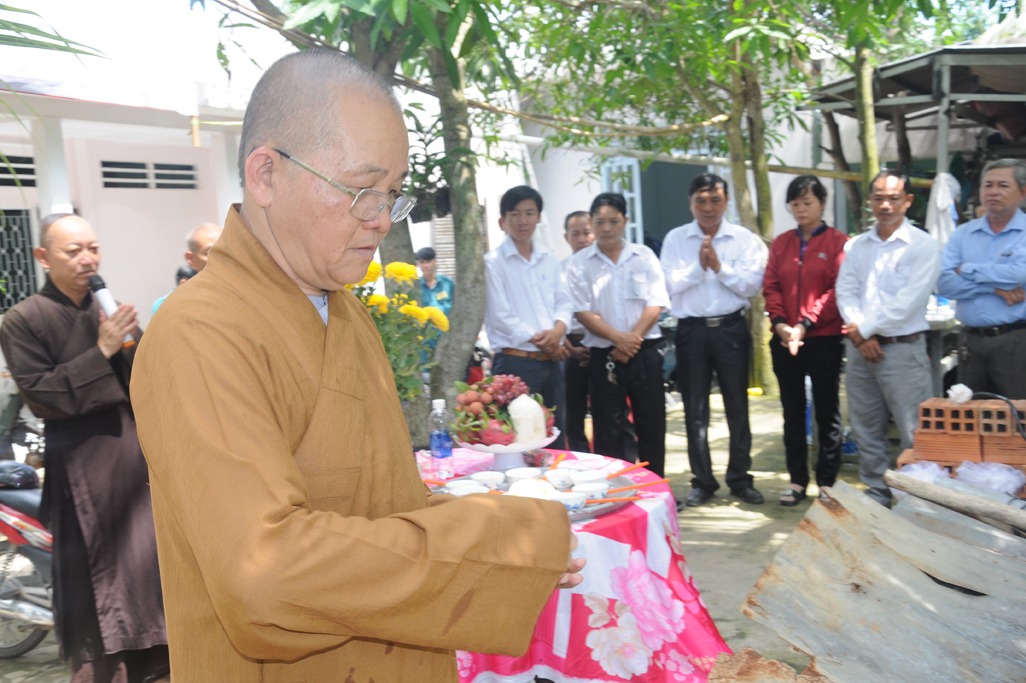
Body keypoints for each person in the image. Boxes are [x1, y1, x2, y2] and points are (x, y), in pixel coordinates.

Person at [130, 50, 582, 682]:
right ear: (266, 174)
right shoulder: (199, 332)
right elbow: (266, 574)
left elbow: (379, 503)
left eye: (393, 194)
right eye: (362, 191)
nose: (381, 218)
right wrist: (494, 539)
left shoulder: (344, 311)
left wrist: (505, 548)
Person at [0, 213, 168, 683]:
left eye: (92, 248)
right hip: (81, 475)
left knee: (152, 581)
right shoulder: (22, 320)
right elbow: (43, 397)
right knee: (99, 591)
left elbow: (147, 383)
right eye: (73, 251)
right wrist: (102, 350)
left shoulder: (106, 308)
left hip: (134, 470)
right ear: (43, 257)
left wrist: (133, 345)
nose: (87, 259)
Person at [660, 173, 768, 507]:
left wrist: (720, 268)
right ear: (690, 203)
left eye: (715, 200)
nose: (708, 208)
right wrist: (698, 268)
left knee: (738, 406)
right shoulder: (676, 239)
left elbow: (752, 286)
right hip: (691, 330)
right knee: (695, 410)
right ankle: (702, 481)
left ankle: (740, 479)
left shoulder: (743, 239)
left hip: (731, 329)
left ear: (726, 202)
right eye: (701, 201)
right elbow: (667, 285)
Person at [836, 170, 942, 507]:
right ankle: (877, 491)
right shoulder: (857, 246)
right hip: (860, 351)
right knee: (866, 426)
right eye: (879, 198)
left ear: (908, 201)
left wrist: (864, 329)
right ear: (870, 201)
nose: (885, 205)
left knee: (915, 429)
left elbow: (908, 301)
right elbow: (845, 291)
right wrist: (860, 333)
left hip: (902, 351)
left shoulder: (923, 245)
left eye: (893, 198)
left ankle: (917, 498)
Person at [566, 193, 670, 477]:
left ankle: (654, 488)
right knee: (607, 431)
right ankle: (615, 490)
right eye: (600, 222)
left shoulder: (643, 256)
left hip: (644, 352)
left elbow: (656, 303)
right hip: (604, 357)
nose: (607, 228)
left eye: (613, 221)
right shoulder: (580, 263)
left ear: (625, 221)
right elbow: (581, 312)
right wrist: (619, 339)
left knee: (652, 427)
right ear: (592, 223)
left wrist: (632, 339)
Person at [763, 175, 849, 506]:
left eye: (807, 202)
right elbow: (771, 285)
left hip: (824, 338)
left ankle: (827, 482)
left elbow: (837, 291)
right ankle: (797, 480)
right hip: (785, 339)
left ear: (822, 203)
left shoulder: (838, 242)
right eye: (795, 203)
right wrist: (781, 324)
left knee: (827, 411)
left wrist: (806, 323)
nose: (801, 209)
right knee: (792, 411)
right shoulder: (781, 243)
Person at [485, 185, 573, 446]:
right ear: (502, 221)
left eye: (529, 213)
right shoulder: (492, 262)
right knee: (516, 438)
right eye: (514, 214)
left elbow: (564, 301)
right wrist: (547, 341)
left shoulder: (549, 257)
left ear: (538, 217)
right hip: (515, 364)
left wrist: (558, 331)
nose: (522, 221)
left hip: (552, 363)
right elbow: (500, 315)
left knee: (555, 434)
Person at [937, 158, 1026, 399]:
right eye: (988, 185)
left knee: (1017, 412)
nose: (993, 191)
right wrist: (995, 289)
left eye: (1003, 185)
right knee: (971, 413)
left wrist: (967, 269)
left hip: (1016, 340)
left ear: (1022, 192)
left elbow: (1018, 274)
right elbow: (944, 284)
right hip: (970, 341)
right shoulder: (963, 234)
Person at [561, 211, 594, 453]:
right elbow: (552, 313)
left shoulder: (605, 266)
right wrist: (571, 349)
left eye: (587, 233)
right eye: (576, 234)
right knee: (573, 412)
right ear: (566, 237)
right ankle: (579, 458)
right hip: (569, 346)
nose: (582, 239)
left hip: (602, 346)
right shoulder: (558, 270)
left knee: (610, 410)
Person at [151, 222, 220, 313]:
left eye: (225, 251)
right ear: (191, 259)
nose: (220, 258)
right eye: (209, 253)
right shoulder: (169, 305)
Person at [416, 246, 454, 316]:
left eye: (428, 262)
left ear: (435, 261)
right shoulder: (416, 286)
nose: (426, 265)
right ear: (418, 264)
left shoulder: (448, 283)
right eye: (422, 262)